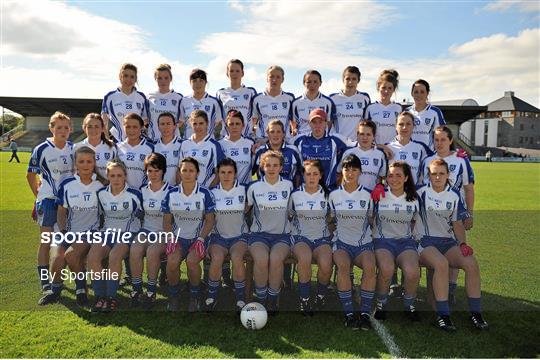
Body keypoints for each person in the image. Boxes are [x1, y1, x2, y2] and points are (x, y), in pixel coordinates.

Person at [417, 159, 488, 331]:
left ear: (448, 175)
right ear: (429, 175)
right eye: (434, 173)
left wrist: (462, 243)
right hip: (424, 241)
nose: (438, 177)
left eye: (441, 173)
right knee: (441, 264)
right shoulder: (419, 193)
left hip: (448, 242)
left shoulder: (454, 194)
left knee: (471, 263)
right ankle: (443, 315)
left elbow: (457, 223)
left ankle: (476, 313)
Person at [37, 146, 104, 306]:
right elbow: (61, 212)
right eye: (82, 161)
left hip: (90, 232)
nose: (86, 165)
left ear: (94, 163)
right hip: (67, 230)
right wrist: (63, 231)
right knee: (57, 257)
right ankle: (55, 290)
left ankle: (81, 289)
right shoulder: (67, 184)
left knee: (71, 255)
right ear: (76, 164)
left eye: (89, 161)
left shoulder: (101, 186)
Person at [422, 125, 475, 302]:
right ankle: (434, 291)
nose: (439, 143)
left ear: (450, 140)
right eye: (436, 139)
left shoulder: (461, 160)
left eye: (443, 139)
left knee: (457, 247)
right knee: (434, 252)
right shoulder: (428, 160)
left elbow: (468, 189)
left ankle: (450, 288)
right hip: (432, 214)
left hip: (455, 212)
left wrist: (469, 213)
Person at [27, 111, 74, 295]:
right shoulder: (42, 148)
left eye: (66, 128)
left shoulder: (73, 148)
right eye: (59, 127)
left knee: (67, 242)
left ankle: (66, 277)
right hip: (47, 201)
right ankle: (45, 282)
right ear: (51, 128)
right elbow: (30, 174)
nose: (63, 131)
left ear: (70, 130)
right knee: (46, 241)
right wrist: (37, 196)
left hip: (69, 204)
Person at [88, 160, 143, 312]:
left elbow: (144, 217)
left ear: (125, 176)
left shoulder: (135, 194)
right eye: (113, 175)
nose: (116, 179)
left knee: (114, 256)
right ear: (108, 176)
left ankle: (111, 297)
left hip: (127, 235)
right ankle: (100, 296)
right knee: (93, 257)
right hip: (107, 234)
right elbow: (98, 217)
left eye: (120, 175)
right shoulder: (101, 194)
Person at [329, 154, 376, 330]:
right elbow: (330, 221)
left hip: (363, 243)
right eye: (347, 168)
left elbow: (372, 220)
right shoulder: (334, 195)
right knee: (343, 266)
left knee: (370, 267)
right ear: (342, 170)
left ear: (360, 172)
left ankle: (364, 313)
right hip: (341, 243)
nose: (350, 172)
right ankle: (349, 313)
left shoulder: (368, 195)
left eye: (354, 169)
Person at [162, 157, 216, 312]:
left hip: (198, 238)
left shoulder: (205, 193)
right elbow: (166, 221)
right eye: (184, 170)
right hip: (178, 238)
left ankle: (195, 296)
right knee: (172, 261)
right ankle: (174, 296)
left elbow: (210, 221)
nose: (187, 174)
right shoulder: (171, 194)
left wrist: (201, 239)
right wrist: (171, 238)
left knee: (192, 262)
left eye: (191, 171)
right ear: (179, 172)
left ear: (197, 173)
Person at [372, 161, 421, 322]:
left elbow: (415, 222)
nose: (394, 179)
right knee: (386, 268)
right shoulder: (379, 195)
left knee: (412, 271)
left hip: (405, 242)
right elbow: (370, 218)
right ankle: (381, 304)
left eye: (398, 175)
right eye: (390, 176)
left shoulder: (414, 199)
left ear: (406, 178)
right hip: (382, 241)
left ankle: (409, 305)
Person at [247, 151, 293, 315]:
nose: (271, 168)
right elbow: (244, 210)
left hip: (282, 236)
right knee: (261, 258)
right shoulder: (253, 187)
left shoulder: (289, 186)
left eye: (275, 165)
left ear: (281, 167)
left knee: (275, 259)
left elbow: (292, 212)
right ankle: (261, 298)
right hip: (258, 235)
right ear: (262, 166)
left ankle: (273, 299)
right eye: (268, 165)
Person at [203, 158, 249, 313]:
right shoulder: (212, 192)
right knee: (216, 258)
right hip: (218, 237)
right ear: (218, 174)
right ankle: (212, 296)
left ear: (235, 174)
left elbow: (249, 207)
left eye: (230, 172)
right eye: (223, 172)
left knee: (237, 258)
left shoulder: (245, 189)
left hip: (239, 236)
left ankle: (240, 297)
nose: (226, 175)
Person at [129, 152, 173, 309]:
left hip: (163, 232)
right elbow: (139, 214)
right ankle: (136, 289)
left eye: (157, 170)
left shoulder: (171, 191)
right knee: (135, 249)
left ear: (163, 171)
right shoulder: (142, 190)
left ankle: (151, 291)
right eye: (149, 171)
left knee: (153, 252)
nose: (153, 174)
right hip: (146, 230)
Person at [289, 159, 333, 315]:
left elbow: (331, 217)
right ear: (303, 176)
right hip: (301, 237)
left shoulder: (328, 195)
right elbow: (289, 216)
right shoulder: (295, 194)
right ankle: (305, 299)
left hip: (322, 238)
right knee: (305, 258)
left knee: (326, 263)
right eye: (308, 174)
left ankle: (320, 296)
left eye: (315, 174)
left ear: (321, 176)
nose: (312, 177)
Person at [294, 109, 348, 188]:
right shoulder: (300, 140)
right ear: (309, 124)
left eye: (320, 122)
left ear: (326, 123)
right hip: (306, 189)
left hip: (328, 189)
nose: (317, 125)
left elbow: (355, 146)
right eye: (314, 122)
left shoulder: (335, 139)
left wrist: (339, 169)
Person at [101, 63, 149, 142]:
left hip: (137, 142)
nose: (128, 80)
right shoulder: (110, 97)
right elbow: (104, 123)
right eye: (126, 76)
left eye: (132, 77)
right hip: (117, 141)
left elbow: (146, 121)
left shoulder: (141, 97)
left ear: (135, 79)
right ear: (120, 76)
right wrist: (107, 141)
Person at [179, 110, 225, 187]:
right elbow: (179, 170)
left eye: (201, 123)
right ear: (190, 124)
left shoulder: (214, 145)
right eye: (195, 124)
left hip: (206, 190)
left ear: (207, 124)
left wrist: (208, 190)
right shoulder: (184, 144)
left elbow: (219, 172)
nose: (198, 127)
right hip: (188, 191)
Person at [338, 120, 387, 190]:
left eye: (368, 134)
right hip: (351, 196)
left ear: (374, 136)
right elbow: (339, 174)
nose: (365, 138)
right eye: (362, 134)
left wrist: (380, 187)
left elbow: (383, 177)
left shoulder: (380, 155)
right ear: (357, 135)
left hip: (371, 197)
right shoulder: (348, 153)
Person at [386, 111, 432, 184]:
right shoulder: (387, 147)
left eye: (408, 124)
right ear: (396, 126)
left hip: (413, 192)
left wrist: (454, 154)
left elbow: (438, 158)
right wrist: (380, 146)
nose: (404, 127)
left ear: (413, 126)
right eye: (401, 124)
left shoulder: (421, 147)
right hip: (391, 193)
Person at [251, 65, 295, 141]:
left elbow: (293, 120)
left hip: (284, 140)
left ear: (282, 79)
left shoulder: (290, 98)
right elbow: (252, 120)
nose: (274, 80)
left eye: (278, 77)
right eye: (271, 76)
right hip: (263, 140)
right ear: (267, 79)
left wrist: (294, 131)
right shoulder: (257, 99)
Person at [216, 59, 258, 138]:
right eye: (231, 71)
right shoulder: (220, 93)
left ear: (242, 73)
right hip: (226, 139)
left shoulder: (251, 92)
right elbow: (217, 118)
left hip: (246, 138)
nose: (234, 73)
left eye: (237, 71)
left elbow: (256, 116)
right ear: (227, 73)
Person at [330, 66, 371, 143]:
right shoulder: (333, 98)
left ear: (358, 80)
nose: (350, 82)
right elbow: (328, 123)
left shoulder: (365, 97)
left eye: (354, 79)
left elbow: (368, 123)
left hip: (358, 144)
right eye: (348, 79)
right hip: (339, 143)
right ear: (343, 80)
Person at [253, 120, 302, 184]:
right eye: (272, 132)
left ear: (283, 134)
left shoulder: (293, 150)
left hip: (288, 191)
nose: (275, 135)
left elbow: (301, 172)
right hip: (264, 191)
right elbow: (251, 172)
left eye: (278, 132)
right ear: (267, 133)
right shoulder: (260, 151)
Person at [179, 68, 223, 139]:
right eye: (194, 81)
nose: (198, 83)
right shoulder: (183, 101)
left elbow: (219, 123)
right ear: (190, 82)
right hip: (188, 144)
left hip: (208, 143)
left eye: (201, 80)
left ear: (206, 82)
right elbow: (180, 123)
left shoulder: (214, 102)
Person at [292, 69, 336, 137]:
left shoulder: (328, 102)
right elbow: (293, 123)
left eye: (315, 82)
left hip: (321, 140)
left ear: (320, 83)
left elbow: (329, 123)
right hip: (302, 140)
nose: (312, 85)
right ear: (304, 83)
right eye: (309, 82)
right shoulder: (296, 103)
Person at [117, 113, 155, 189]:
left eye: (135, 127)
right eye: (128, 127)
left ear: (141, 128)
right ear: (123, 127)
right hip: (124, 193)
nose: (131, 130)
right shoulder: (117, 147)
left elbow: (154, 172)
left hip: (144, 192)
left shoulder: (151, 147)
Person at [73, 113, 117, 179]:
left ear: (102, 128)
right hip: (84, 188)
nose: (93, 130)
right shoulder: (76, 147)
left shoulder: (112, 147)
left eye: (97, 126)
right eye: (90, 127)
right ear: (84, 128)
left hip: (106, 188)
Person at [405, 79, 446, 151]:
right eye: (416, 92)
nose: (419, 95)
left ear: (427, 93)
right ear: (412, 94)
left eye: (422, 92)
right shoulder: (407, 112)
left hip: (429, 154)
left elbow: (443, 134)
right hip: (410, 152)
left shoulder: (435, 112)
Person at [147, 64, 183, 142]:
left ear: (171, 79)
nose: (163, 81)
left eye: (166, 78)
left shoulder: (178, 97)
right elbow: (145, 120)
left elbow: (181, 121)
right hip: (154, 141)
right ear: (155, 79)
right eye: (159, 78)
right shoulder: (149, 97)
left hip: (174, 142)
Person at [365, 69, 402, 146]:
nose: (386, 91)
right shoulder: (370, 108)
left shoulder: (398, 108)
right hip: (375, 149)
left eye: (390, 88)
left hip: (394, 150)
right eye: (384, 87)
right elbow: (365, 131)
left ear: (393, 89)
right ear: (378, 87)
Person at [219, 110, 255, 185]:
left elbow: (255, 168)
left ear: (243, 125)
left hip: (245, 189)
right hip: (225, 191)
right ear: (226, 126)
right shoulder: (219, 144)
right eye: (231, 124)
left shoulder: (251, 143)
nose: (234, 127)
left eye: (237, 124)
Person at [152, 112, 183, 185]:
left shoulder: (183, 144)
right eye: (162, 124)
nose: (165, 127)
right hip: (158, 189)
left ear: (175, 126)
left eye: (168, 124)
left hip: (177, 190)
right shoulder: (152, 145)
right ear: (158, 126)